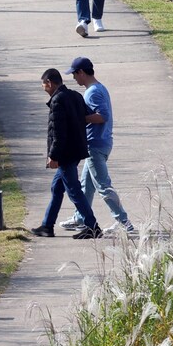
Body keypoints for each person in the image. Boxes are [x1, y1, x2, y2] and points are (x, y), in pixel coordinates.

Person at [60, 57, 136, 234]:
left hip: (95, 144)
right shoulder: (99, 88)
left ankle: (124, 222)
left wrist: (78, 119)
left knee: (103, 186)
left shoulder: (92, 92)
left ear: (81, 72)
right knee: (86, 185)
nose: (74, 78)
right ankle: (80, 217)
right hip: (100, 143)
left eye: (74, 74)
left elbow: (102, 116)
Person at [33, 68, 103, 239]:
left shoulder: (58, 100)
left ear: (49, 82)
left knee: (73, 190)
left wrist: (53, 156)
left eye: (43, 84)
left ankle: (93, 226)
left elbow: (58, 133)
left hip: (65, 153)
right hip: (76, 150)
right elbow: (86, 117)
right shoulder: (76, 96)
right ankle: (47, 226)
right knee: (57, 188)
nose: (43, 88)